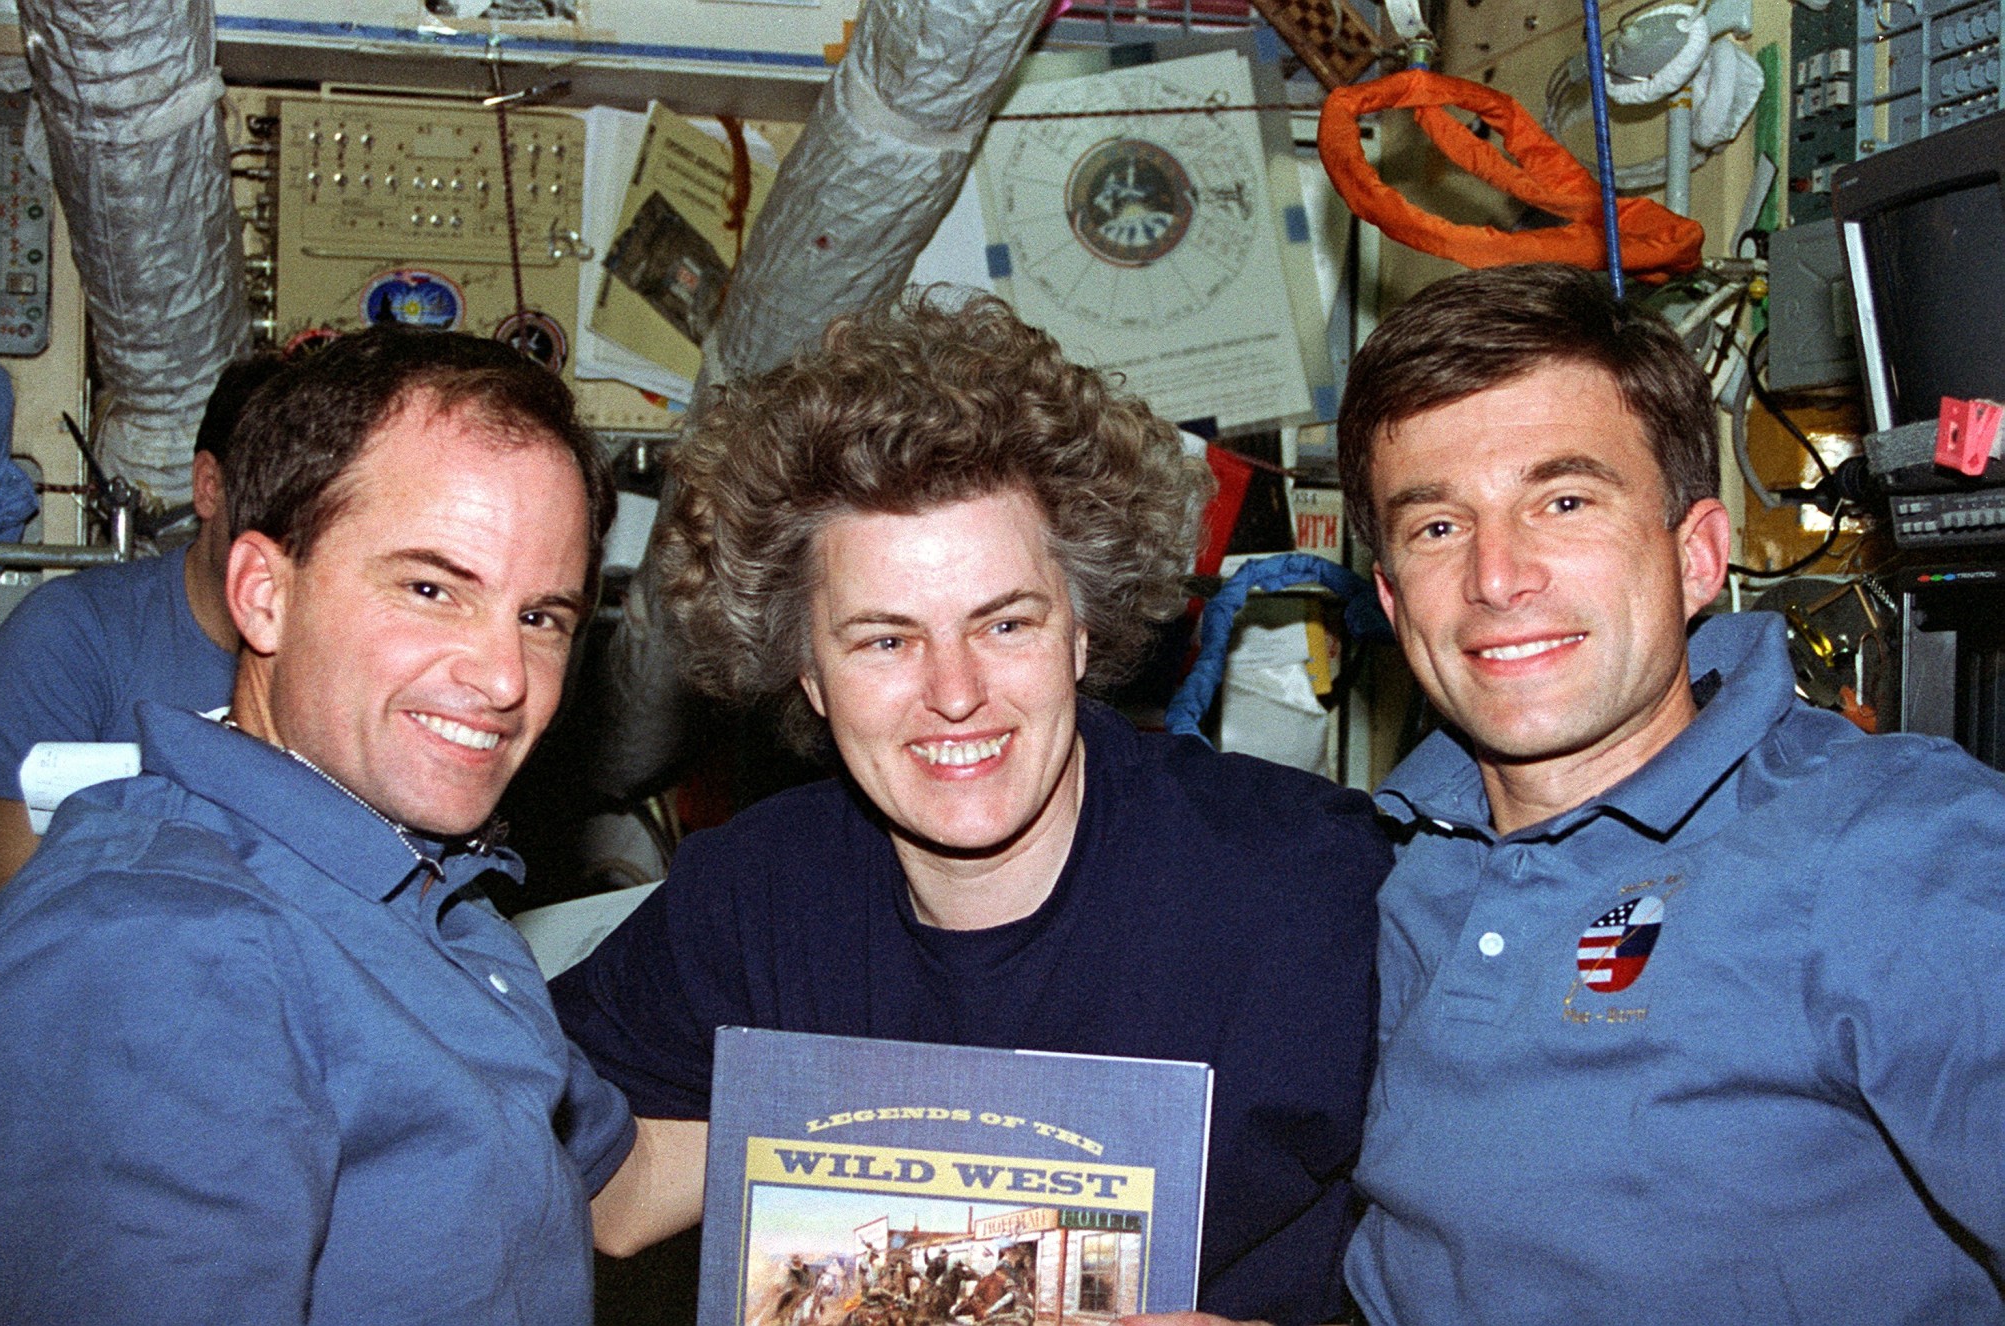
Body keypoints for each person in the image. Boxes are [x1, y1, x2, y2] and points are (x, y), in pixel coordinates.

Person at [558, 290, 1391, 1324]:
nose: (953, 693)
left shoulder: (1314, 891)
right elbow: (615, 1187)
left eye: (1003, 624)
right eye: (882, 639)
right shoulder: (754, 896)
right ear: (806, 675)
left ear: (1080, 631)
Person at [1319, 263, 2004, 1320]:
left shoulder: (1894, 849)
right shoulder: (1400, 873)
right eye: (1437, 527)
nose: (1496, 577)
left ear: (1695, 556)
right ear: (1390, 599)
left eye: (1562, 500)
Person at [0, 328, 635, 1324]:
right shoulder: (158, 953)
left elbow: (622, 1182)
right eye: (431, 588)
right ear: (264, 595)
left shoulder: (409, 886)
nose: (502, 678)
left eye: (541, 616)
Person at [0, 354, 282, 900]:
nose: (295, 530)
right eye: (276, 493)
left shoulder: (360, 661)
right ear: (209, 485)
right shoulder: (70, 636)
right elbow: (18, 916)